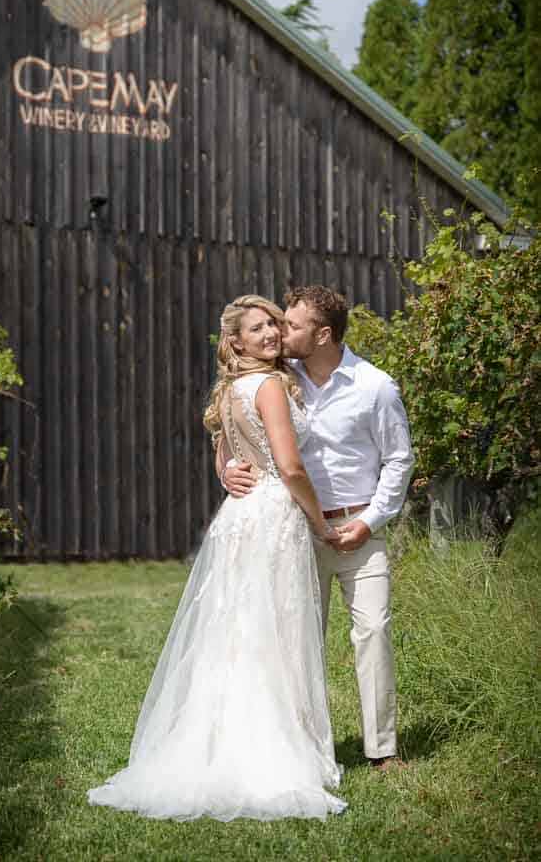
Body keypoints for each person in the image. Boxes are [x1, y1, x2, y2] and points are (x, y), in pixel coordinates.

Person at [88, 295, 347, 821]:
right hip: (273, 515)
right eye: (258, 329)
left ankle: (216, 739)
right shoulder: (271, 385)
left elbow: (225, 454)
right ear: (236, 342)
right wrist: (320, 522)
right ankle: (272, 749)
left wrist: (226, 471)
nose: (272, 334)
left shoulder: (230, 389)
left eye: (274, 325)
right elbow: (291, 467)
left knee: (236, 630)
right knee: (274, 630)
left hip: (238, 518)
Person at [221, 286, 414, 771]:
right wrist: (225, 470)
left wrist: (370, 522)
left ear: (323, 334)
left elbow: (398, 460)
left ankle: (382, 750)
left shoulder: (376, 387)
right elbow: (230, 432)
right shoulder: (278, 379)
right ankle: (306, 749)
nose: (279, 332)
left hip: (359, 531)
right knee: (297, 640)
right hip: (295, 531)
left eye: (291, 325)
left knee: (373, 631)